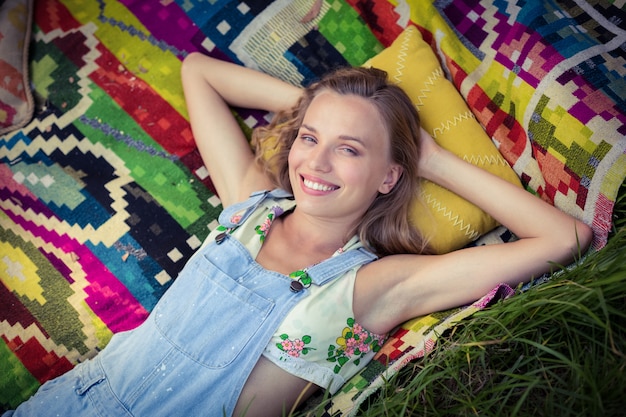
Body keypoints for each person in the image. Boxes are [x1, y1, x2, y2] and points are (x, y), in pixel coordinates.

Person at [4, 53, 592, 417]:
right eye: (310, 138)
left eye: (350, 150)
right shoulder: (248, 207)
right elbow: (198, 74)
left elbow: (563, 237)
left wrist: (426, 156)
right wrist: (330, 110)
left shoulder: (376, 284)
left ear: (390, 176)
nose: (317, 164)